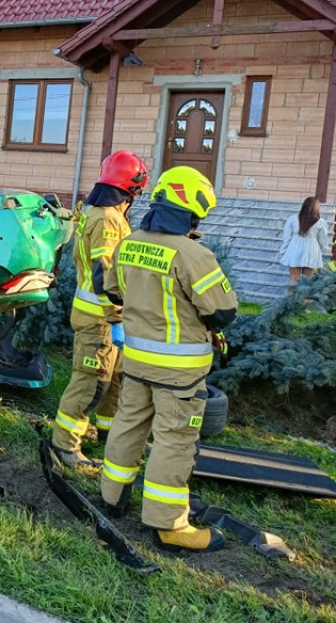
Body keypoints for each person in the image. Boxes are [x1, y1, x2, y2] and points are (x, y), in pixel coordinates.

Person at [99, 166, 237, 553]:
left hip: (138, 361)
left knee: (128, 424)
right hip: (179, 373)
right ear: (192, 208)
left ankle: (112, 496)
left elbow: (113, 291)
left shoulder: (129, 243)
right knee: (173, 442)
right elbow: (222, 311)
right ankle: (169, 526)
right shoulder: (193, 254)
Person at [51, 149, 148, 468]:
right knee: (90, 383)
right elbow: (103, 271)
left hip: (101, 316)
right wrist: (116, 318)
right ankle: (65, 446)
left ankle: (110, 436)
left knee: (113, 381)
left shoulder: (96, 211)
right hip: (100, 319)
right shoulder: (107, 219)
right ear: (131, 188)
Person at [279, 196, 328, 288]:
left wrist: (283, 251)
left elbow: (286, 238)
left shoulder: (292, 219)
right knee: (308, 280)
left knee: (294, 278)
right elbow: (323, 241)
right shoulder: (321, 222)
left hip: (294, 248)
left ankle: (291, 301)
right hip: (311, 250)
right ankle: (304, 301)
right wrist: (321, 251)